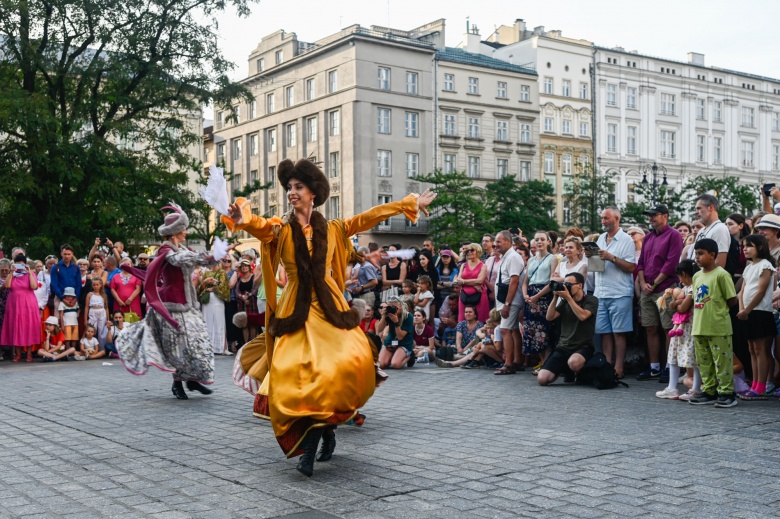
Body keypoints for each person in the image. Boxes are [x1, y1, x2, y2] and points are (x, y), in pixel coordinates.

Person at [222, 157, 436, 477]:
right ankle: (317, 439)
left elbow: (367, 217)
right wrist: (244, 218)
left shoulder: (335, 229)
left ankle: (321, 438)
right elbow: (260, 227)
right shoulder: (280, 229)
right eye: (289, 187)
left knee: (336, 369)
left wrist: (409, 204)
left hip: (330, 308)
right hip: (295, 309)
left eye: (299, 187)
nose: (292, 193)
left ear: (313, 192)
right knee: (298, 375)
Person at [115, 203, 221, 401]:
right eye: (183, 229)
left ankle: (191, 379)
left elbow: (197, 260)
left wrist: (217, 256)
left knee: (197, 342)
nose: (186, 232)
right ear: (175, 231)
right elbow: (178, 260)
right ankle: (178, 383)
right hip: (171, 305)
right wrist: (201, 256)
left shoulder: (183, 248)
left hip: (188, 305)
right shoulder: (166, 249)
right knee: (178, 346)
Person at [688, 239, 738, 407]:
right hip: (699, 326)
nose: (697, 257)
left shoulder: (721, 274)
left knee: (722, 361)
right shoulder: (696, 276)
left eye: (701, 253)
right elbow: (696, 300)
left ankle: (727, 392)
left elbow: (732, 300)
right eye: (696, 254)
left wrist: (718, 311)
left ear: (712, 255)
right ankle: (709, 390)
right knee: (704, 361)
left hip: (718, 327)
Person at [636, 205, 683, 381]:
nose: (651, 218)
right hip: (647, 288)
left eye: (654, 215)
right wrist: (642, 283)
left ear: (665, 216)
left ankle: (670, 367)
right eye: (649, 215)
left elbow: (671, 264)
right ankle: (654, 366)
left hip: (665, 288)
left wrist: (654, 283)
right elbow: (640, 263)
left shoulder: (674, 235)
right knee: (650, 328)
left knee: (667, 328)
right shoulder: (647, 237)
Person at [589, 208, 636, 379]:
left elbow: (631, 267)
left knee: (619, 332)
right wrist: (591, 257)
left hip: (619, 292)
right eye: (601, 218)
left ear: (616, 218)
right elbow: (595, 267)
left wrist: (612, 258)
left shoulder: (626, 240)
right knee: (604, 332)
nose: (603, 221)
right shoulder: (601, 238)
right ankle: (607, 365)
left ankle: (619, 366)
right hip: (601, 291)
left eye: (606, 218)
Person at [538, 272, 599, 386]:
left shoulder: (591, 300)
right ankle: (566, 370)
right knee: (542, 379)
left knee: (574, 363)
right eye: (564, 284)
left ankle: (579, 372)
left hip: (583, 347)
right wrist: (555, 297)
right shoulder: (565, 301)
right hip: (563, 347)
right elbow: (549, 317)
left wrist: (569, 298)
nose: (566, 287)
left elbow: (583, 316)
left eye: (569, 284)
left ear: (580, 285)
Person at [735, 234, 776, 400]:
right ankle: (754, 385)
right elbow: (742, 291)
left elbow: (760, 291)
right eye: (743, 246)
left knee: (762, 351)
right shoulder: (749, 266)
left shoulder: (765, 266)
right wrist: (741, 309)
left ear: (759, 247)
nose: (745, 249)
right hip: (747, 313)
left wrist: (748, 310)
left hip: (760, 312)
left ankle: (762, 386)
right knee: (752, 349)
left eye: (749, 246)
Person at [655, 260, 700, 400]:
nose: (680, 280)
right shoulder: (684, 289)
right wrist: (678, 303)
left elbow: (682, 307)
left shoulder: (693, 288)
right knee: (673, 355)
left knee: (694, 358)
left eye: (680, 277)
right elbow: (673, 306)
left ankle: (696, 388)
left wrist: (677, 303)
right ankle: (671, 387)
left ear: (685, 274)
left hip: (690, 327)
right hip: (680, 327)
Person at [523, 231, 558, 372]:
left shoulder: (553, 258)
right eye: (537, 239)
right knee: (534, 332)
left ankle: (547, 365)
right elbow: (525, 281)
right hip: (530, 297)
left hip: (543, 297)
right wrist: (525, 295)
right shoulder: (531, 260)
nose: (539, 242)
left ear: (548, 242)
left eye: (542, 239)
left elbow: (552, 282)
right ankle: (543, 363)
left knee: (544, 331)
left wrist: (537, 296)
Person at [493, 230, 525, 375]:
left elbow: (514, 281)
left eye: (499, 241)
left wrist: (507, 303)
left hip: (511, 300)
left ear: (507, 241)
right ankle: (518, 361)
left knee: (505, 330)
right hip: (507, 299)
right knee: (513, 330)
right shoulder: (507, 256)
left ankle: (508, 364)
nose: (496, 244)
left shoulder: (513, 257)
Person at [1, 254, 40, 362]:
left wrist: (29, 273)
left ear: (25, 264)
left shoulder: (30, 273)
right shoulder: (12, 274)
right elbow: (7, 286)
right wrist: (11, 272)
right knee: (16, 328)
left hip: (28, 304)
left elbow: (34, 286)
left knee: (29, 327)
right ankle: (17, 354)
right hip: (14, 305)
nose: (19, 266)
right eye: (17, 263)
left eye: (21, 264)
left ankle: (29, 354)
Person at [198, 263, 230, 355]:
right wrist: (205, 283)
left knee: (218, 322)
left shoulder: (222, 272)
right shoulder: (206, 273)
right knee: (206, 321)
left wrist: (213, 287)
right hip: (207, 301)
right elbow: (201, 288)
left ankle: (220, 348)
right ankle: (207, 346)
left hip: (218, 301)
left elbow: (224, 287)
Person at [454, 243, 489, 322]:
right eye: (467, 251)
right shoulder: (464, 265)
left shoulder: (483, 266)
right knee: (462, 320)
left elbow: (480, 280)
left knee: (479, 321)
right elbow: (458, 280)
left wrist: (464, 282)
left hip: (479, 297)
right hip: (464, 297)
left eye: (472, 250)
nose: (469, 252)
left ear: (478, 251)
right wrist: (474, 284)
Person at [235, 259, 260, 344]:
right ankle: (246, 344)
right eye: (242, 266)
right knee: (244, 324)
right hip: (242, 303)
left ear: (249, 267)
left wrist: (248, 296)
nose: (244, 267)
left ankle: (252, 343)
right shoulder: (239, 278)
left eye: (246, 266)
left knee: (253, 323)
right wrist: (242, 297)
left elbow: (256, 289)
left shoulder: (253, 277)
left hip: (252, 302)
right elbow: (236, 291)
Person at [50, 244, 81, 309]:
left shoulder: (76, 267)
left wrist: (76, 298)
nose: (67, 256)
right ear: (61, 254)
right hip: (60, 296)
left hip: (73, 297)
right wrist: (62, 298)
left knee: (73, 318)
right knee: (58, 318)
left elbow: (79, 284)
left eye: (69, 254)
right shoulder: (55, 267)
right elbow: (54, 285)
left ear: (72, 254)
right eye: (65, 254)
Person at [85, 277, 110, 348]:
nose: (95, 286)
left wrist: (108, 319)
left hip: (102, 312)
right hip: (93, 312)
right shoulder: (90, 295)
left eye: (97, 285)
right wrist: (85, 320)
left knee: (102, 331)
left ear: (101, 285)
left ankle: (102, 348)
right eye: (94, 285)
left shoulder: (104, 295)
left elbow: (106, 307)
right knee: (91, 329)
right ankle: (90, 347)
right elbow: (86, 307)